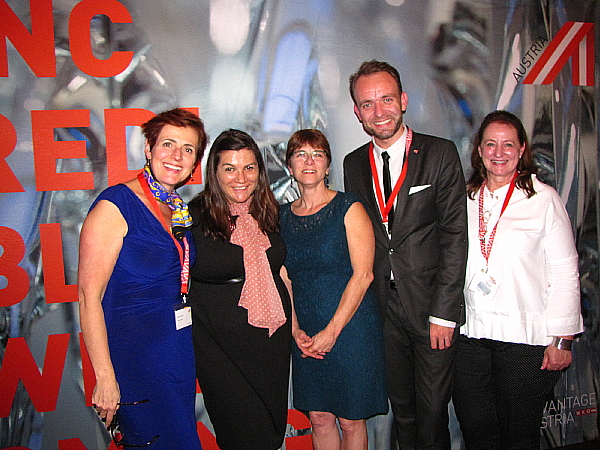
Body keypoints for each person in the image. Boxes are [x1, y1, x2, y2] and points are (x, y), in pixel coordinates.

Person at [343, 60, 467, 450]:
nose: (378, 111)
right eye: (367, 104)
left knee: (432, 413)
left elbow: (454, 237)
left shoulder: (440, 153)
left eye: (386, 99)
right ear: (357, 112)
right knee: (403, 411)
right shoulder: (352, 164)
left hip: (432, 307)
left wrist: (445, 312)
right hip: (382, 312)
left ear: (404, 101)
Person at [452, 110, 584, 450]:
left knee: (519, 436)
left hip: (524, 342)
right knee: (476, 431)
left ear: (522, 149)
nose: (499, 152)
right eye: (491, 144)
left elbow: (566, 272)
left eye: (508, 144)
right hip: (470, 339)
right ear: (478, 150)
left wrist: (563, 340)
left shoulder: (543, 201)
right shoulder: (464, 200)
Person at [78, 108, 208, 449]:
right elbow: (88, 298)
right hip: (134, 358)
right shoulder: (115, 205)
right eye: (168, 144)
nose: (177, 156)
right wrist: (105, 377)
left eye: (188, 149)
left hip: (176, 354)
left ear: (195, 163)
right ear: (148, 149)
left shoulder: (177, 208)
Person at [279, 129, 388, 450]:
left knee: (351, 420)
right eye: (300, 155)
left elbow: (364, 275)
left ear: (328, 166)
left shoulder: (348, 207)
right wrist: (295, 328)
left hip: (351, 330)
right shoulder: (281, 217)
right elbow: (284, 277)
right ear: (289, 167)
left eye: (317, 154)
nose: (309, 161)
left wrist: (332, 332)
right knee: (319, 418)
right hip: (307, 333)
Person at [188, 129, 292, 450]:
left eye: (249, 167)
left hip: (271, 343)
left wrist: (298, 326)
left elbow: (282, 272)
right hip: (220, 347)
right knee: (240, 436)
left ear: (260, 171)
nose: (240, 178)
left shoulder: (269, 212)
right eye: (229, 168)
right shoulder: (194, 216)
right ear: (214, 172)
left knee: (271, 433)